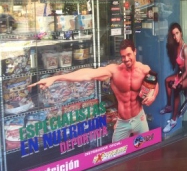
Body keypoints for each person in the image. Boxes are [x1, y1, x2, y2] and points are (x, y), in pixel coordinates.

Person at [28, 39, 158, 142]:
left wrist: (153, 95)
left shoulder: (144, 69)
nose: (126, 59)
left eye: (129, 54)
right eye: (123, 56)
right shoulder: (115, 71)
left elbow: (154, 83)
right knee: (118, 158)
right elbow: (87, 74)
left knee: (145, 152)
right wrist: (56, 78)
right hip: (123, 122)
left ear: (135, 52)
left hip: (139, 119)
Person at [160, 23, 187, 133]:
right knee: (167, 81)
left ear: (181, 33)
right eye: (173, 35)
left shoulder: (185, 49)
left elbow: (186, 70)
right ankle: (169, 106)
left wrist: (178, 81)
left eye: (177, 33)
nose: (175, 36)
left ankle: (174, 120)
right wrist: (177, 78)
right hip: (182, 74)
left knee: (176, 88)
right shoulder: (176, 47)